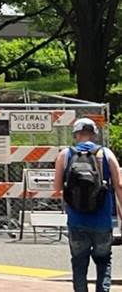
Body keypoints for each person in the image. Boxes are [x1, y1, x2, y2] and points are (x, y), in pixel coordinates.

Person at [54, 118, 122, 292]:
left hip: (76, 220)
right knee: (104, 261)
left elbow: (57, 188)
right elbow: (119, 185)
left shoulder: (65, 155)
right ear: (94, 134)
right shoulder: (106, 154)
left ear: (76, 134)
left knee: (79, 264)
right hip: (102, 221)